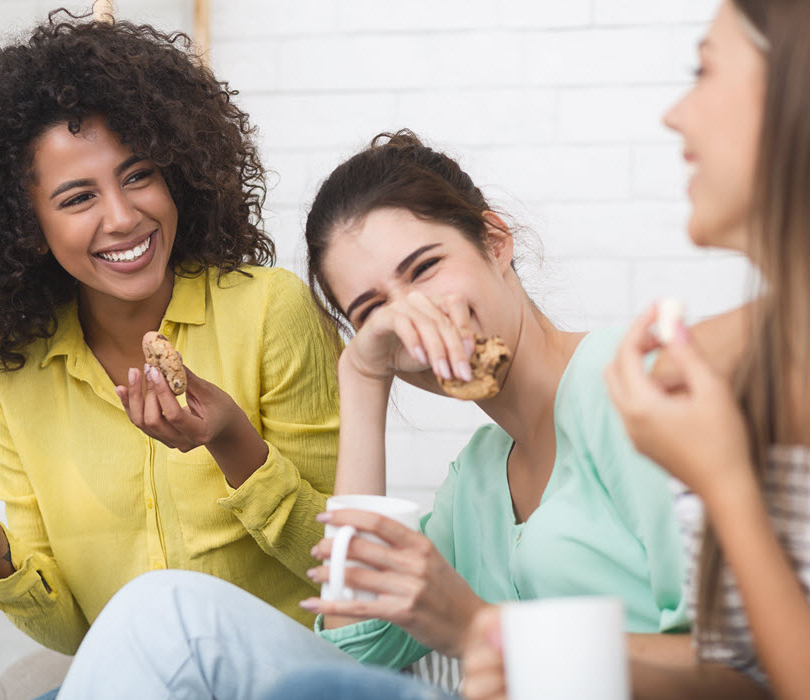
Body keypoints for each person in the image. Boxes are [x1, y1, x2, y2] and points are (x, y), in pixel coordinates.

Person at [51, 131, 692, 700]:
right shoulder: (477, 483)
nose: (408, 319)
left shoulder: (630, 386)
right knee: (153, 627)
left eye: (426, 269)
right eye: (371, 311)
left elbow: (749, 666)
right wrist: (360, 378)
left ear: (495, 243)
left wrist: (481, 628)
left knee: (170, 624)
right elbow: (353, 648)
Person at [0, 10, 340, 657]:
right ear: (25, 227)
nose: (123, 217)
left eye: (138, 175)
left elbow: (340, 567)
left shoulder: (271, 311)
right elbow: (74, 633)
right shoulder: (13, 377)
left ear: (177, 171)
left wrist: (232, 441)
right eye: (78, 198)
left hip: (287, 674)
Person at [464, 1, 810, 698]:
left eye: (704, 71)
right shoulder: (715, 367)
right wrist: (580, 669)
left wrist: (724, 482)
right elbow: (751, 676)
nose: (673, 115)